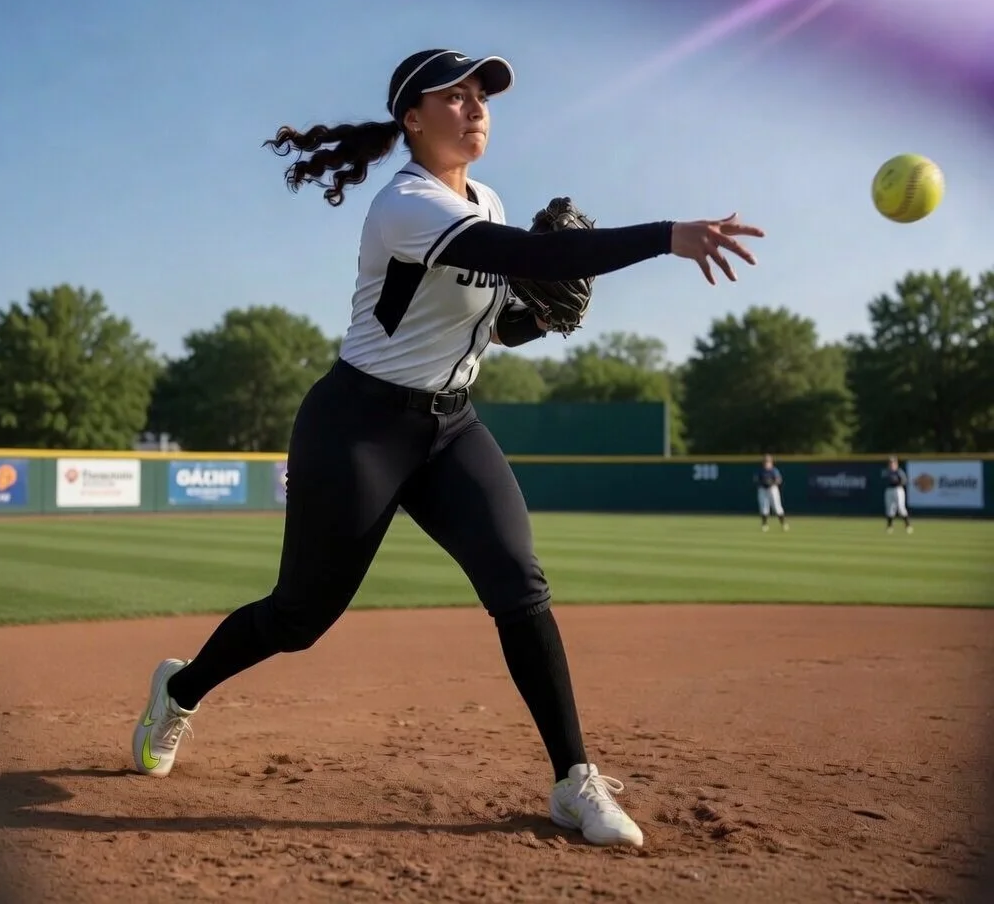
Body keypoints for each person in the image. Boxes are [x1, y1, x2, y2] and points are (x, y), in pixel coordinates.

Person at [131, 47, 765, 848]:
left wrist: (548, 318)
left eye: (482, 98)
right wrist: (665, 236)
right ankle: (179, 691)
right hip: (357, 427)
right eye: (454, 97)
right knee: (299, 616)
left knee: (518, 582)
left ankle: (574, 780)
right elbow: (529, 259)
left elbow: (496, 325)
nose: (475, 109)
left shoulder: (488, 201)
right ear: (412, 119)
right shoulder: (405, 206)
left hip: (450, 427)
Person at [754, 453, 788, 531]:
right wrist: (763, 482)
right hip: (763, 489)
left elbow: (779, 480)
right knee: (764, 508)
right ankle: (764, 525)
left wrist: (771, 482)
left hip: (772, 489)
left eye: (768, 461)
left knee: (777, 507)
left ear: (771, 462)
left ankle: (783, 524)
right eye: (765, 461)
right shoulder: (760, 470)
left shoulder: (774, 470)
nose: (767, 462)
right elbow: (756, 480)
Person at [882, 456, 913, 534]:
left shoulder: (899, 472)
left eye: (893, 462)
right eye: (890, 462)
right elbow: (884, 478)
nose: (891, 464)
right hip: (889, 490)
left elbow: (905, 480)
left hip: (898, 490)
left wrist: (898, 481)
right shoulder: (887, 471)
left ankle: (908, 525)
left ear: (896, 463)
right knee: (889, 509)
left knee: (901, 508)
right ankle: (889, 526)